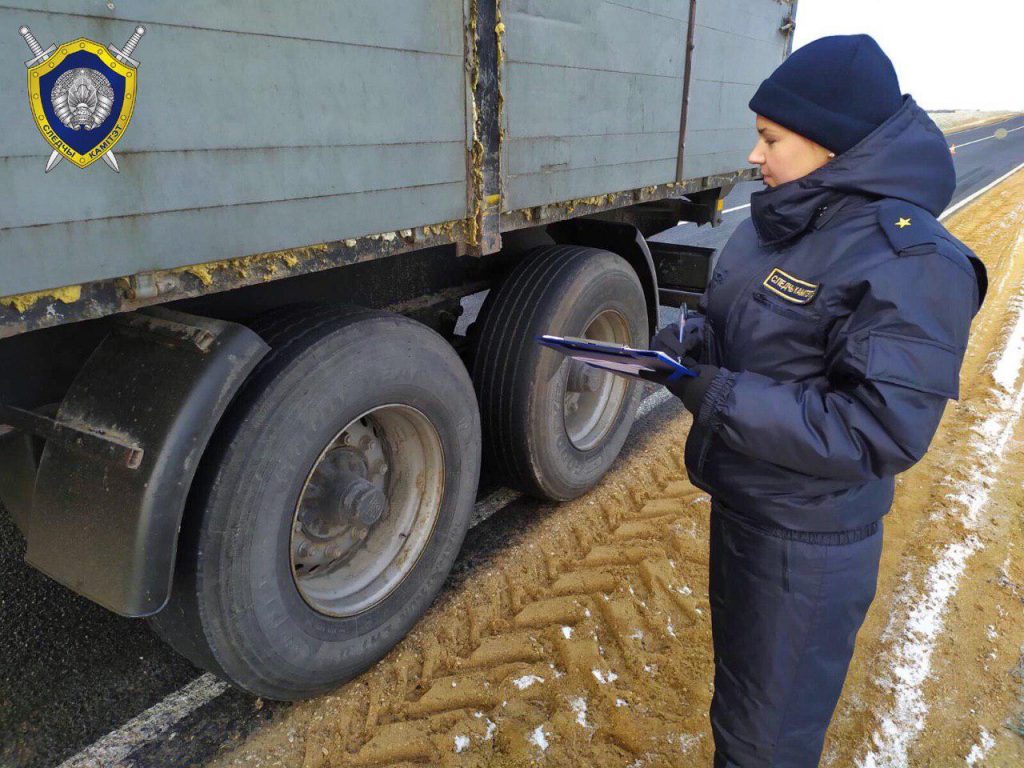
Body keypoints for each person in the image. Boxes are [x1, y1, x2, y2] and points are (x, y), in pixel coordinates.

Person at [642, 34, 988, 767]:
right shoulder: (783, 223)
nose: (753, 156)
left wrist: (721, 396)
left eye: (770, 138)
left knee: (766, 744)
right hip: (749, 506)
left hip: (808, 544)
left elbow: (875, 433)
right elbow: (751, 325)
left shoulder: (913, 261)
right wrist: (685, 344)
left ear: (832, 145)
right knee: (740, 711)